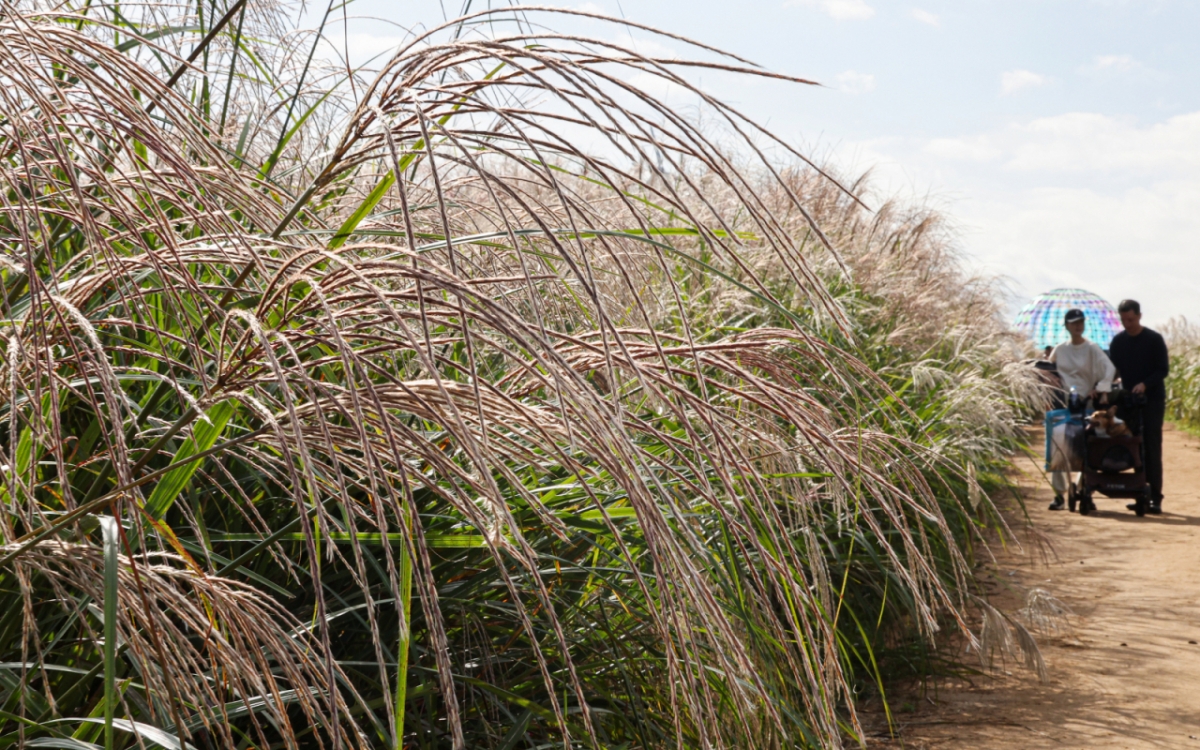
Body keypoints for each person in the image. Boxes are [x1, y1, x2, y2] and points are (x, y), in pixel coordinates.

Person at [1047, 308, 1115, 511]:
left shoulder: (1092, 348)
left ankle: (1085, 489)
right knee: (1059, 446)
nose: (1078, 325)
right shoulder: (1060, 349)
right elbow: (1049, 372)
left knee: (1085, 449)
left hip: (1086, 403)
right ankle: (1059, 494)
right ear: (1067, 326)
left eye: (1081, 322)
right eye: (1074, 322)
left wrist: (1100, 388)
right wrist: (1051, 393)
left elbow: (1109, 369)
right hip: (1064, 403)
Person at [1108, 299, 1169, 514]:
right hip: (1128, 401)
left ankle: (1156, 497)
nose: (1128, 324)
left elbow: (1163, 370)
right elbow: (1112, 371)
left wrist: (1145, 384)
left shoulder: (1154, 340)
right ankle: (1139, 492)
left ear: (1139, 316)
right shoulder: (1117, 343)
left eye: (1131, 319)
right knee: (1133, 446)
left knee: (1151, 446)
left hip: (1152, 401)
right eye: (1124, 320)